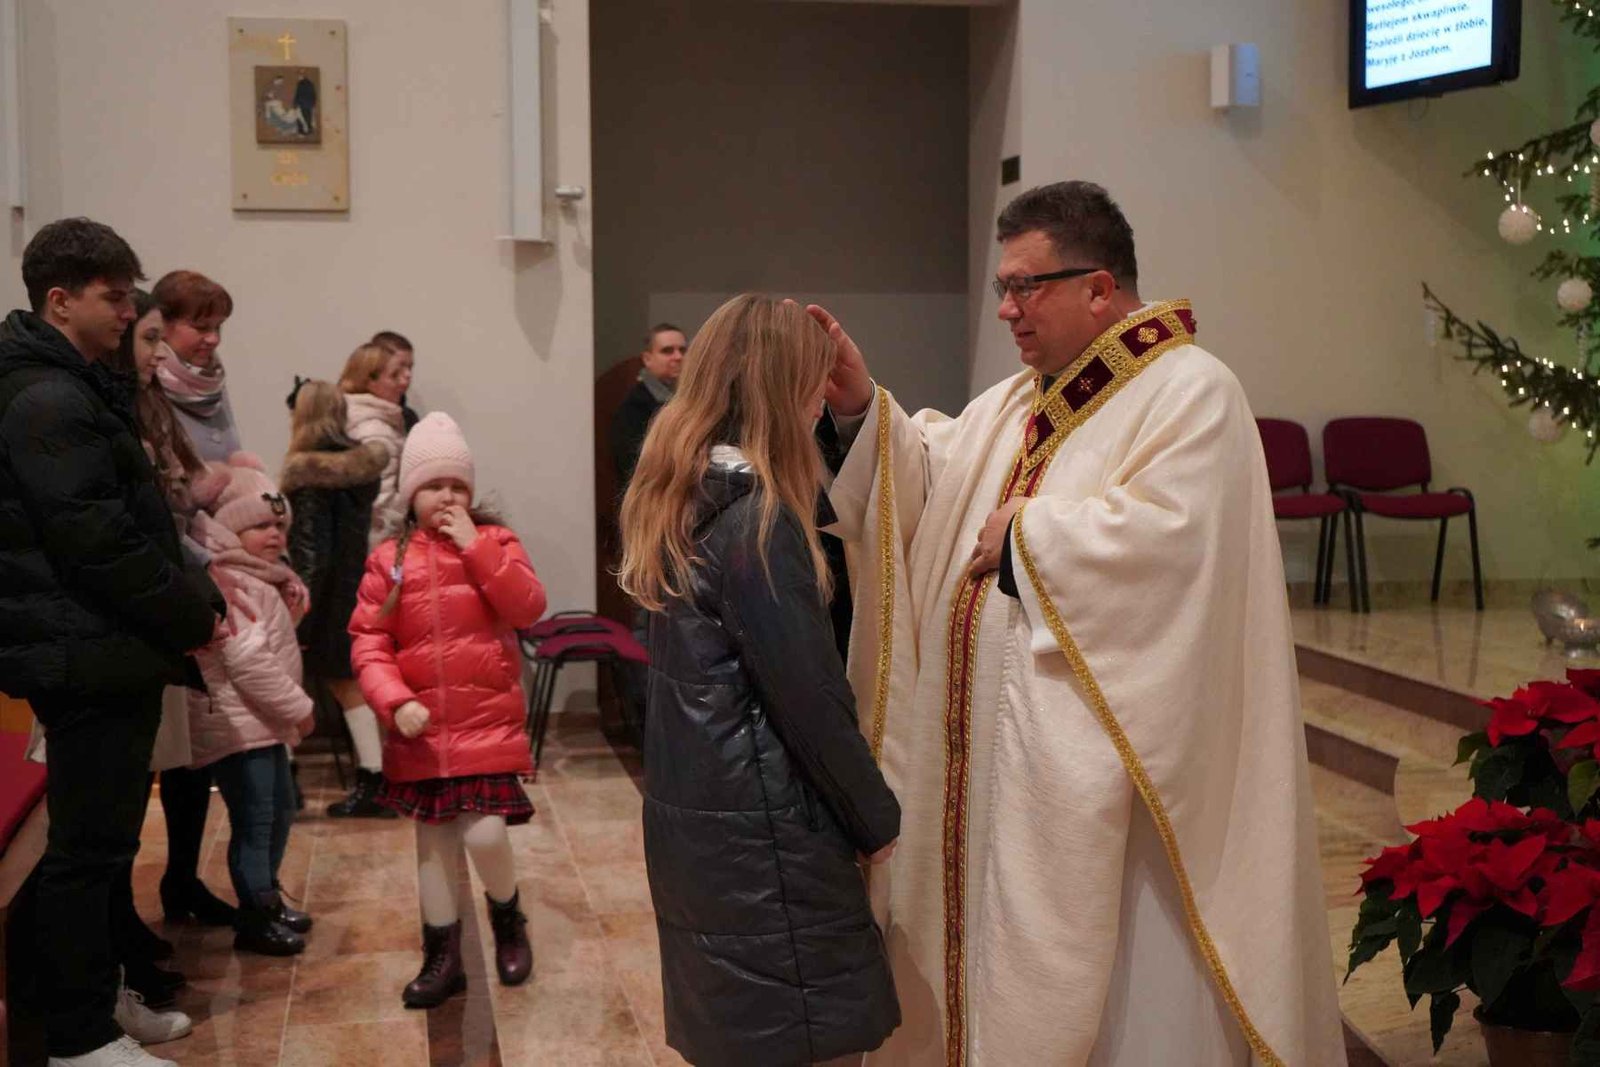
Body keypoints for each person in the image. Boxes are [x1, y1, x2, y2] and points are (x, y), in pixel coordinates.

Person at [816, 181, 1343, 1065]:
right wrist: (863, 406)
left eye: (1026, 286)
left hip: (1117, 795)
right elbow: (934, 479)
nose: (1008, 310)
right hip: (998, 779)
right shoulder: (1020, 400)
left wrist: (1028, 536)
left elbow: (1173, 547)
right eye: (1004, 288)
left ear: (1100, 287)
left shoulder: (1190, 390)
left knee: (1123, 999)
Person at [618, 295, 901, 1067]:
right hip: (768, 835)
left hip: (708, 828)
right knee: (805, 1043)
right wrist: (875, 818)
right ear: (784, 390)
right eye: (812, 383)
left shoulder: (681, 493)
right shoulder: (759, 520)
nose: (819, 402)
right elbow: (808, 698)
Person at [0, 217, 222, 1067]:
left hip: (99, 644)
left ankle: (96, 996)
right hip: (82, 648)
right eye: (116, 297)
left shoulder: (72, 385)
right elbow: (97, 542)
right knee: (87, 848)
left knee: (105, 842)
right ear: (60, 301)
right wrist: (189, 612)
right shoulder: (47, 400)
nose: (131, 312)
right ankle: (78, 1036)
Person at [349, 413, 544, 1009]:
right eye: (434, 485)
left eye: (458, 485)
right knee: (432, 846)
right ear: (411, 494)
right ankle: (442, 954)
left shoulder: (497, 543)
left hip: (485, 725)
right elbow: (369, 641)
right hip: (423, 733)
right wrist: (394, 700)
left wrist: (476, 548)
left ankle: (508, 916)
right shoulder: (389, 559)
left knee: (485, 833)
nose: (447, 496)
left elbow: (527, 608)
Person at [186, 458, 316, 956]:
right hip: (239, 726)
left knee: (280, 811)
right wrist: (299, 708)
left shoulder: (259, 578)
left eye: (280, 526)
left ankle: (268, 899)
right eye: (260, 526)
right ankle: (255, 918)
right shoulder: (229, 582)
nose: (274, 535)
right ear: (229, 531)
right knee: (257, 820)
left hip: (260, 721)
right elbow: (247, 661)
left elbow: (274, 643)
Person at [281, 379, 396, 818]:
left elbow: (312, 554)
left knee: (284, 682)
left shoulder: (309, 476)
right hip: (352, 588)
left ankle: (284, 783)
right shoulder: (358, 473)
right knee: (348, 686)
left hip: (321, 597)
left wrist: (298, 612)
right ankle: (374, 780)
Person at [152, 269, 239, 462]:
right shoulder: (146, 384)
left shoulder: (211, 378)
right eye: (201, 327)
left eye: (218, 327)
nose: (214, 339)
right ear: (161, 324)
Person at [339, 341, 411, 544]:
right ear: (370, 382)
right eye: (394, 375)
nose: (405, 379)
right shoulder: (374, 431)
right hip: (381, 541)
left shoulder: (369, 420)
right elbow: (382, 503)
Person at [609, 322, 687, 487]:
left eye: (682, 350)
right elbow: (634, 470)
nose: (678, 357)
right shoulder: (633, 409)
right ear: (647, 359)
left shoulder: (687, 400)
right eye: (667, 351)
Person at [371, 329, 420, 430]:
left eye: (410, 367)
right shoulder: (350, 413)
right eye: (399, 368)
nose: (408, 375)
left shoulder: (409, 418)